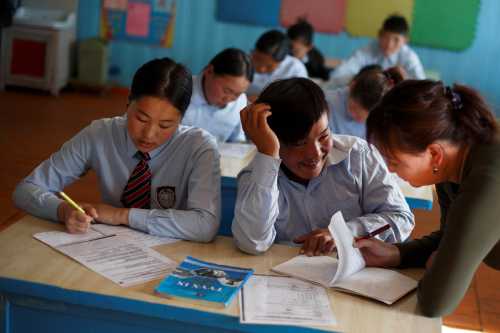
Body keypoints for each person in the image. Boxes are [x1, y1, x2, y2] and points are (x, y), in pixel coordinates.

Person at [13, 57, 221, 242]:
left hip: (174, 252)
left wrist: (121, 215)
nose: (148, 134)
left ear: (182, 119)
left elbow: (205, 226)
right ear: (128, 101)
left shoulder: (199, 147)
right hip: (109, 247)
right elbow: (26, 190)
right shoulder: (100, 134)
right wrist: (63, 210)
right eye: (141, 118)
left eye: (165, 125)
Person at [357, 79, 500, 317]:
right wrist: (396, 254)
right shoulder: (454, 158)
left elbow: (437, 302)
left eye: (394, 161)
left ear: (434, 153)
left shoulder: (487, 181)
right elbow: (450, 236)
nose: (391, 171)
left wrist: (438, 268)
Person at [232, 78, 414, 255]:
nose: (315, 153)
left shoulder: (358, 155)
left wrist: (345, 233)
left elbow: (401, 218)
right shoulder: (258, 175)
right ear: (275, 141)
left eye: (324, 136)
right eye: (299, 143)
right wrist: (267, 156)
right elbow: (252, 243)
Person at [329, 15, 425, 87]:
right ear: (380, 34)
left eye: (396, 40)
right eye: (386, 37)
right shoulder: (368, 50)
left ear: (405, 40)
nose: (389, 44)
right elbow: (341, 73)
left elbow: (422, 86)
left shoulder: (410, 58)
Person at [182, 48, 253, 143]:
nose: (229, 99)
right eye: (227, 90)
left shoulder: (240, 102)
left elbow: (238, 142)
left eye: (237, 94)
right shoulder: (180, 91)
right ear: (209, 71)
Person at [327, 66, 406, 138]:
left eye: (361, 118)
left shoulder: (380, 123)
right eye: (353, 107)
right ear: (352, 85)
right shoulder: (327, 103)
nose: (354, 115)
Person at [247, 29, 308, 99]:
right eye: (258, 60)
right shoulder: (244, 63)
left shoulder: (295, 69)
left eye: (269, 66)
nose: (262, 69)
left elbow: (300, 99)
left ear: (282, 60)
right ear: (254, 52)